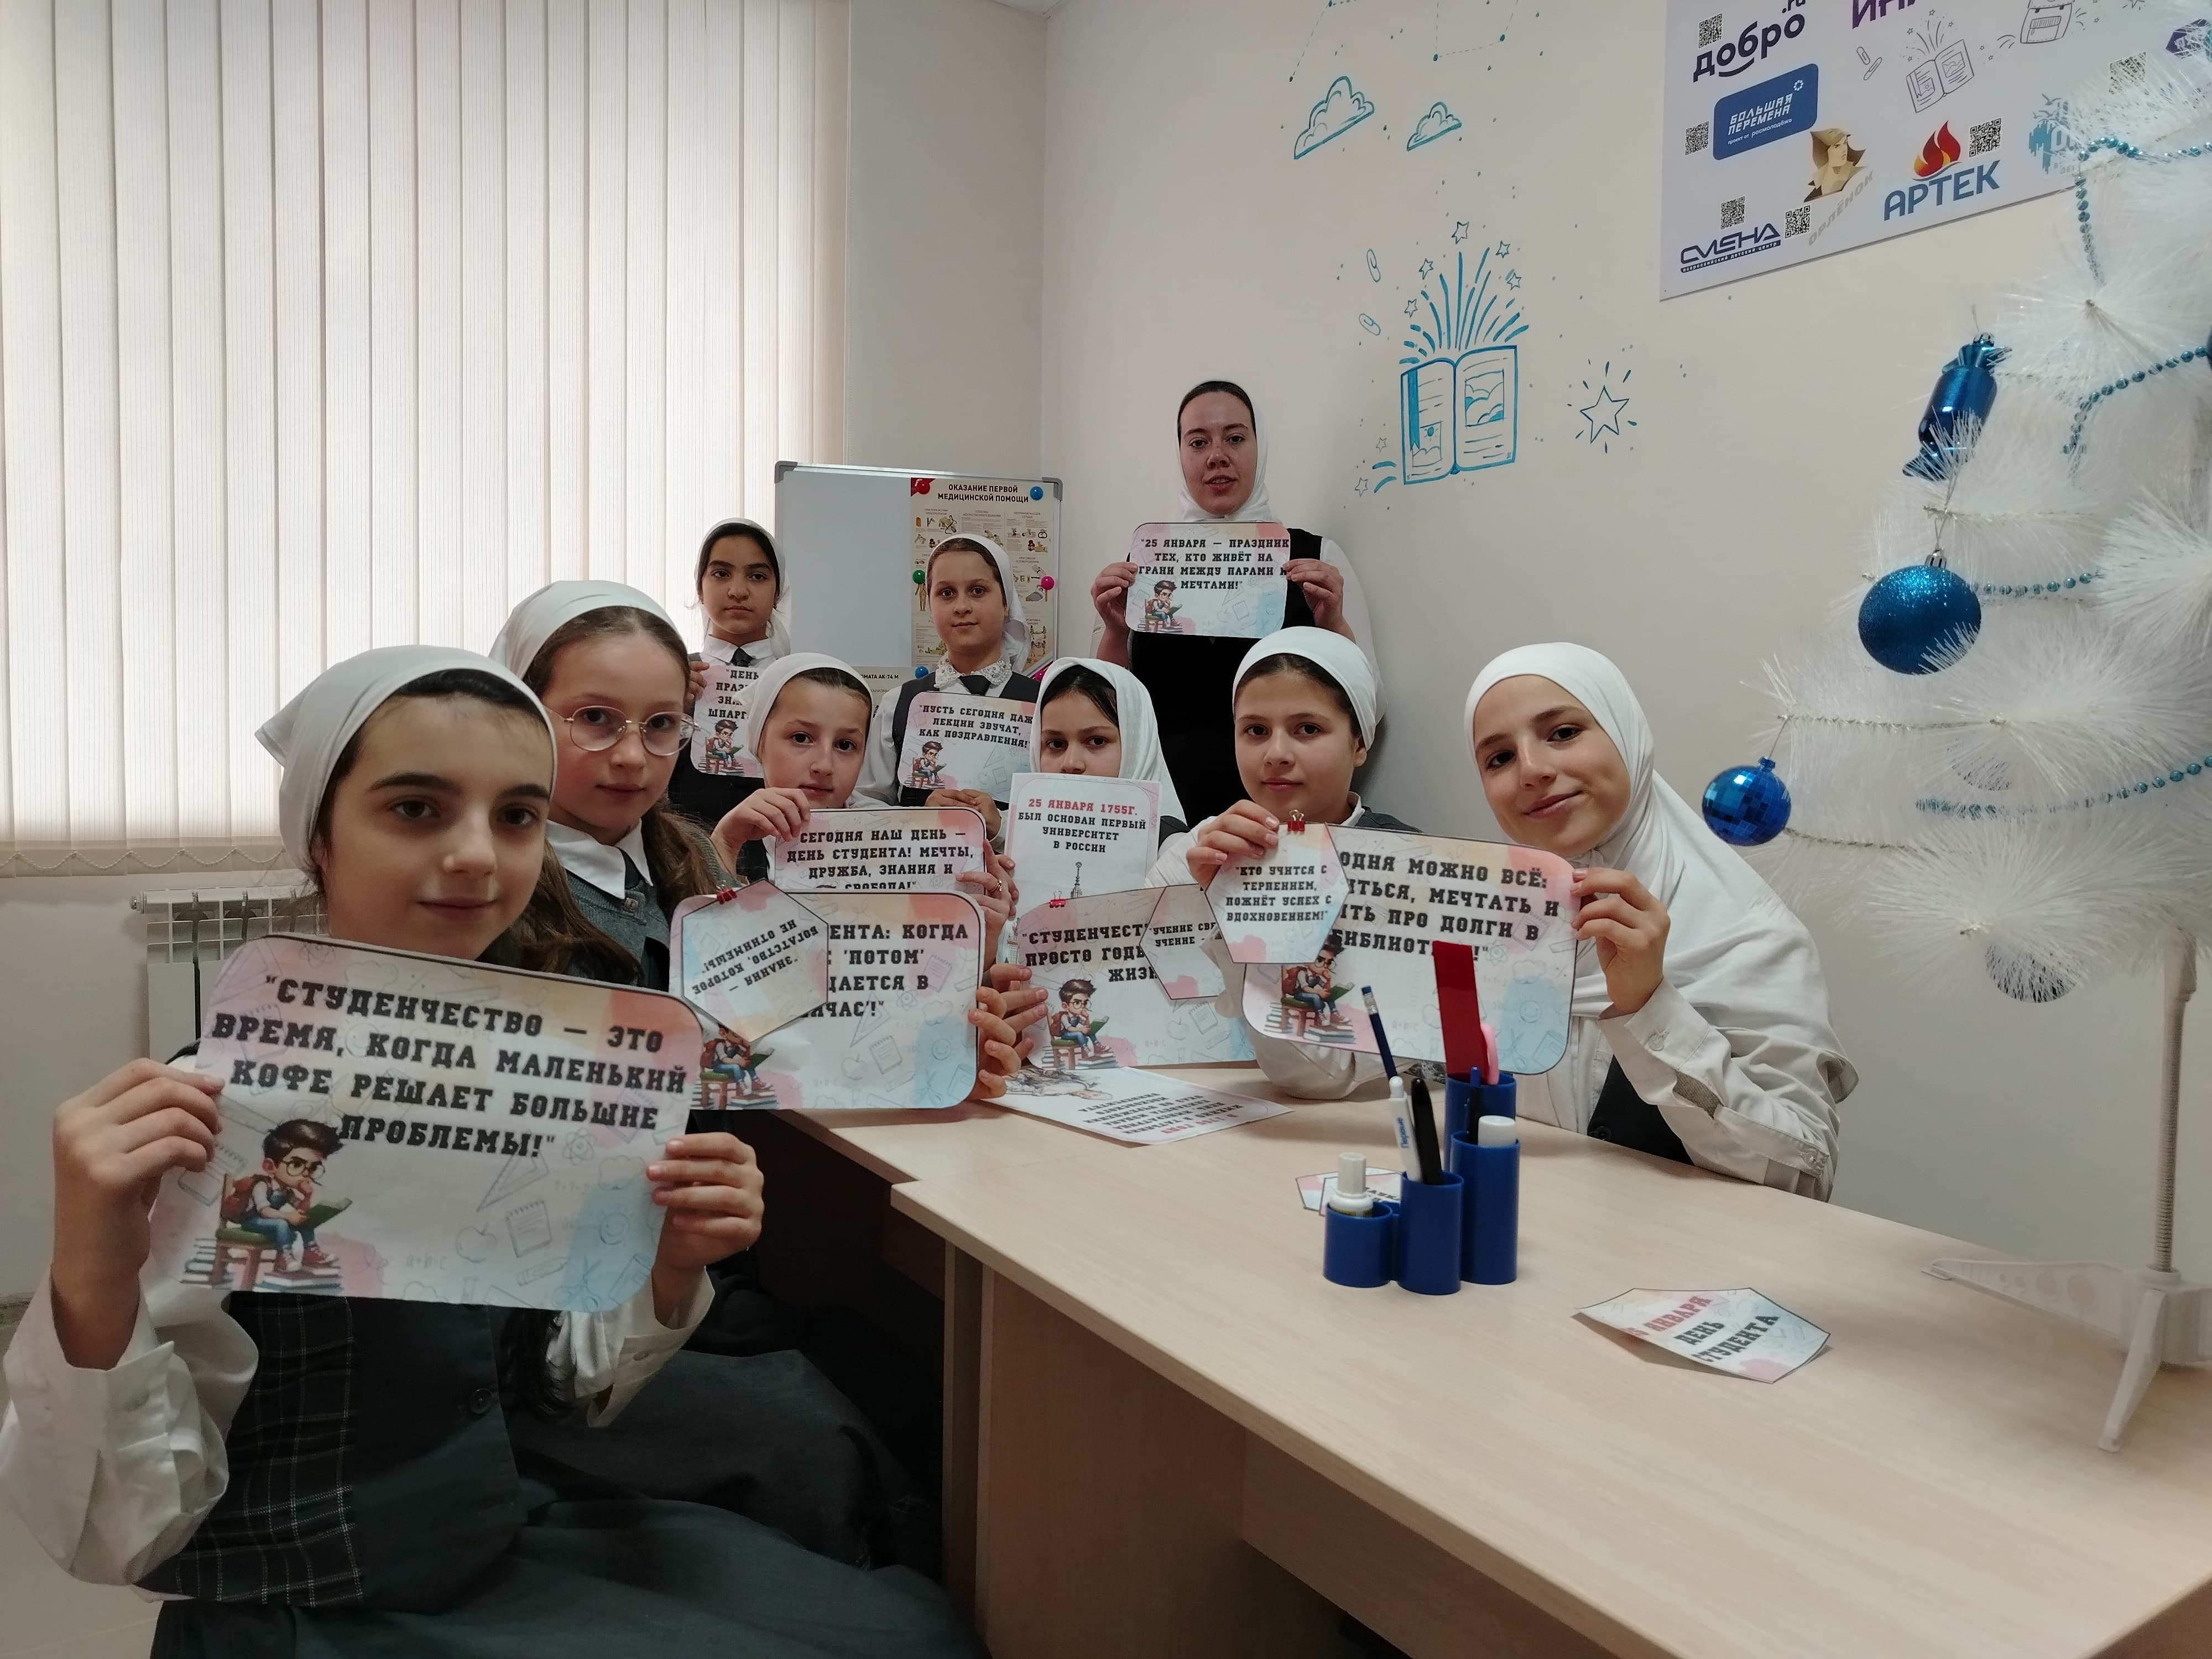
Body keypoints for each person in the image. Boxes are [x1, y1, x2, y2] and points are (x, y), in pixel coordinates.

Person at [0, 645, 986, 1656]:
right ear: (319, 838)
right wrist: (91, 1270)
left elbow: (559, 1389)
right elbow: (120, 1532)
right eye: (415, 808)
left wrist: (665, 1262)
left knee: (909, 1623)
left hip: (491, 1543)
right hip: (307, 1613)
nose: (477, 855)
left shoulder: (540, 1079)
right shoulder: (223, 1120)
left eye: (516, 815)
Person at [1465, 644, 1854, 1196]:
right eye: (1499, 758)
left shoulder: (1749, 937)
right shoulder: (1491, 929)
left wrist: (1649, 1007)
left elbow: (1803, 1177)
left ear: (1626, 735)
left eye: (1563, 733)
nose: (1531, 770)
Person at [1091, 379, 1383, 822]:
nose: (1217, 456)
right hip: (1166, 818)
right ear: (1181, 455)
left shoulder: (1316, 558)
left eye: (1235, 438)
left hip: (1286, 819)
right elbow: (1107, 713)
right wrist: (1115, 631)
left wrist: (1333, 626)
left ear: (1259, 448)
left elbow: (1369, 710)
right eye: (1198, 442)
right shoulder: (1147, 566)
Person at [1149, 628, 1415, 1099]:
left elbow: (1327, 1077)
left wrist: (1247, 913)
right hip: (1203, 1108)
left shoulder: (1404, 868)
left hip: (1357, 1125)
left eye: (1307, 729)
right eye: (1255, 730)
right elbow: (1135, 1004)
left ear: (1359, 743)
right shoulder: (1194, 855)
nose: (1276, 755)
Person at [489, 581, 722, 993]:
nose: (633, 757)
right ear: (521, 714)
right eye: (595, 717)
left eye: (661, 723)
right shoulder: (486, 889)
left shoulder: (694, 853)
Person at [859, 534, 1041, 837]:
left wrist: (1002, 826)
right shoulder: (899, 703)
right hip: (916, 863)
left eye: (978, 591)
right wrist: (918, 818)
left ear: (1006, 603)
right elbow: (864, 802)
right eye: (946, 593)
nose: (961, 606)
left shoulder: (1043, 704)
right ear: (930, 606)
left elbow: (1058, 813)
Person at [667, 518, 791, 830]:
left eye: (757, 576)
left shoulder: (797, 683)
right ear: (700, 588)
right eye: (721, 574)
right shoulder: (671, 676)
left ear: (778, 592)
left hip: (775, 842)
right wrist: (666, 712)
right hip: (687, 845)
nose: (738, 591)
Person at [1030, 656, 1189, 841]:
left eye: (1097, 741)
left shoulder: (1174, 849)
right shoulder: (1020, 838)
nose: (1071, 763)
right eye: (1056, 744)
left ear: (1137, 747)